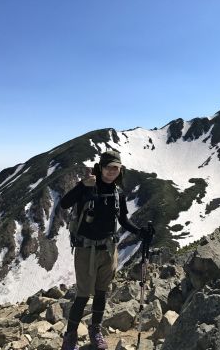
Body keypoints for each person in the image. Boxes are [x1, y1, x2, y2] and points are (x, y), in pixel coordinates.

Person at [59, 150, 154, 350]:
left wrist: (140, 232)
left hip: (109, 250)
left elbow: (123, 220)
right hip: (86, 251)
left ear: (120, 170)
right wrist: (81, 185)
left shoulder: (118, 193)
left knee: (101, 293)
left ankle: (95, 330)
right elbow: (64, 203)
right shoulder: (87, 188)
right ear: (100, 168)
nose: (112, 171)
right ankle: (70, 336)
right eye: (108, 167)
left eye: (116, 168)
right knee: (83, 295)